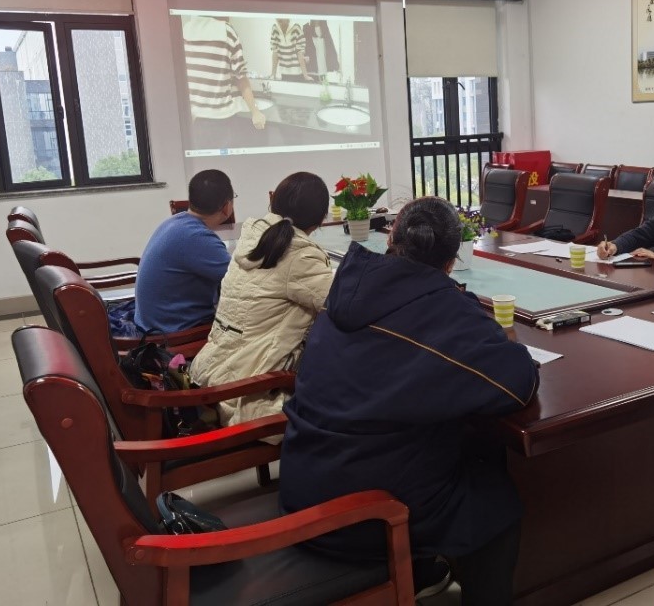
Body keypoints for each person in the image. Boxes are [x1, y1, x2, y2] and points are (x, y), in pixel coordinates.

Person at [278, 197, 540, 604]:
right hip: (364, 516)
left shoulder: (346, 290)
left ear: (390, 241)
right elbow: (517, 383)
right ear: (451, 263)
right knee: (493, 499)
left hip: (303, 484)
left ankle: (417, 568)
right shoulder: (445, 312)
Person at [190, 172, 333, 427]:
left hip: (214, 373)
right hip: (252, 398)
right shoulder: (300, 256)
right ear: (321, 219)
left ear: (273, 204)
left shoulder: (254, 237)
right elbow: (347, 303)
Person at [134, 170, 234, 334]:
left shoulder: (176, 222)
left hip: (152, 321)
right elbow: (240, 280)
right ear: (227, 206)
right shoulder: (197, 237)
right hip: (172, 331)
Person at [182, 15, 266, 129]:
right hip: (221, 118)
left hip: (193, 117)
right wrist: (255, 112)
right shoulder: (227, 32)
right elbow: (241, 78)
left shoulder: (185, 30)